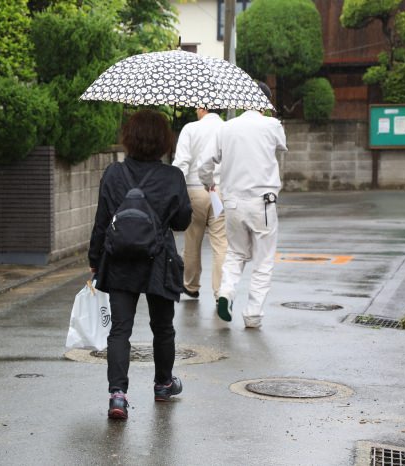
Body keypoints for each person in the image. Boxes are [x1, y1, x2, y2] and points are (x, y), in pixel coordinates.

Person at [89, 109, 192, 420]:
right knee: (163, 327)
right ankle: (163, 384)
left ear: (128, 139)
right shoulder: (173, 176)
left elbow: (102, 222)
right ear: (164, 140)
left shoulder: (113, 173)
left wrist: (95, 261)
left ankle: (117, 396)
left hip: (119, 259)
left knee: (120, 330)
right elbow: (182, 221)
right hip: (159, 259)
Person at [198, 81, 288, 329]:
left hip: (233, 202)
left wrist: (208, 183)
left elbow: (204, 164)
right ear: (265, 103)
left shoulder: (226, 128)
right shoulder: (272, 125)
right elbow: (282, 145)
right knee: (263, 259)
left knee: (235, 253)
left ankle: (226, 293)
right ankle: (252, 315)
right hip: (263, 203)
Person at [172, 108, 227, 303]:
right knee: (221, 242)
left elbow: (181, 163)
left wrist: (175, 190)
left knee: (192, 240)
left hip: (194, 189)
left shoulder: (190, 128)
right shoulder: (227, 128)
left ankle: (191, 285)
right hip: (220, 190)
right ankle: (221, 292)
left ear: (202, 107)